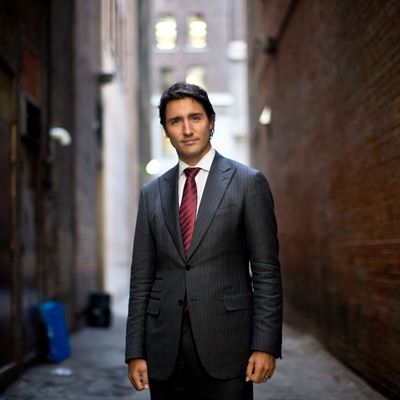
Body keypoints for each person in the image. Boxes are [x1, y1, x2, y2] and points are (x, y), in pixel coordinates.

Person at [126, 82, 282, 400]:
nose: (187, 129)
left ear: (211, 121)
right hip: (163, 350)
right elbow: (141, 277)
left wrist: (265, 344)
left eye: (195, 117)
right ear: (166, 131)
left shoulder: (247, 183)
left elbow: (266, 271)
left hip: (228, 347)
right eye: (175, 121)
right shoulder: (151, 194)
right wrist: (135, 350)